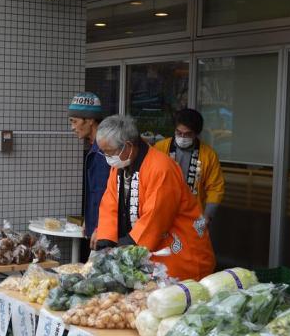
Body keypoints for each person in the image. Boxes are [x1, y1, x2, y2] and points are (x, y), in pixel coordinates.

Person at [95, 114, 215, 281]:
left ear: (128, 146)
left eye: (109, 152)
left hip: (182, 254)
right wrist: (105, 241)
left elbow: (156, 217)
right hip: (151, 253)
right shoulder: (121, 164)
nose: (107, 157)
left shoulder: (161, 168)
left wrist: (121, 248)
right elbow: (110, 202)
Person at [154, 108, 224, 226]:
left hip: (194, 215)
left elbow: (215, 188)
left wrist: (207, 215)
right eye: (178, 132)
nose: (182, 137)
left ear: (196, 133)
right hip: (162, 212)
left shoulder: (209, 155)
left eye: (187, 134)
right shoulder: (160, 148)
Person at [68, 92, 109, 251]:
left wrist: (100, 226)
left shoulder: (104, 149)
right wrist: (89, 219)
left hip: (105, 231)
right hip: (98, 227)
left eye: (75, 121)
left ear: (90, 120)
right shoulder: (94, 146)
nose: (72, 127)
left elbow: (103, 193)